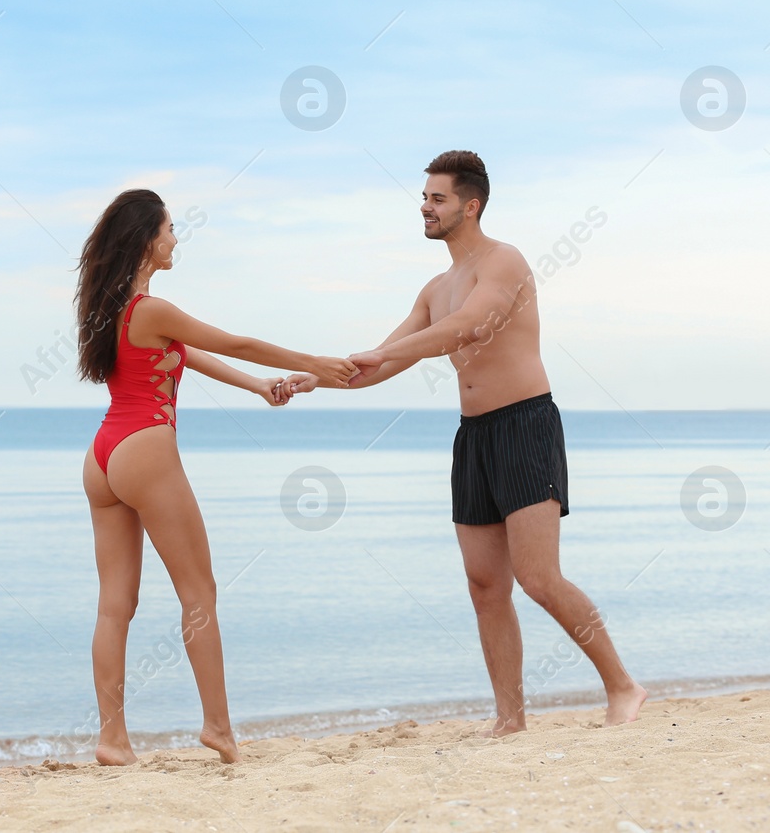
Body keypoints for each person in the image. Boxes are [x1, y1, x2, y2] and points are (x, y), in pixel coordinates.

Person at [287, 151, 647, 735]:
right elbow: (378, 363)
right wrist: (314, 378)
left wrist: (387, 353)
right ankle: (510, 718)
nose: (425, 207)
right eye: (424, 198)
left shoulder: (503, 262)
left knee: (539, 579)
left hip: (525, 424)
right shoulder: (435, 286)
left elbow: (470, 326)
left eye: (437, 199)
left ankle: (623, 686)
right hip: (473, 435)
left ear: (470, 205)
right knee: (485, 585)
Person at [76, 188, 357, 765]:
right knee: (198, 593)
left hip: (103, 456)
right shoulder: (151, 308)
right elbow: (236, 341)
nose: (175, 239)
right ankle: (219, 729)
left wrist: (259, 387)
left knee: (113, 605)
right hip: (147, 447)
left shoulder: (114, 309)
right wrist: (314, 364)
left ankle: (112, 739)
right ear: (147, 240)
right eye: (170, 229)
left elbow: (189, 355)